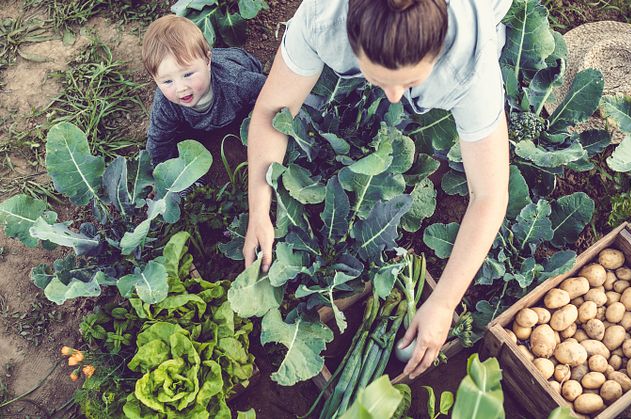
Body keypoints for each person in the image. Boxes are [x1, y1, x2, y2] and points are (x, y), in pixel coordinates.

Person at [243, 0, 512, 379]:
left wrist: (444, 302)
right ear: (349, 37)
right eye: (377, 78)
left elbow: (489, 195)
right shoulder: (322, 16)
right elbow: (271, 113)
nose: (394, 97)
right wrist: (259, 207)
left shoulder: (470, 62)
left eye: (411, 82)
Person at [142, 15, 266, 167]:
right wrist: (159, 173)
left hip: (238, 81)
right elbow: (158, 140)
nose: (181, 88)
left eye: (187, 74)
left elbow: (268, 92)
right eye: (168, 81)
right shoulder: (165, 104)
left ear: (207, 62)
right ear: (155, 80)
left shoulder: (236, 82)